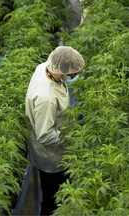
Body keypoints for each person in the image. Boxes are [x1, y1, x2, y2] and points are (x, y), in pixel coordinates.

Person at [25, 46, 85, 215]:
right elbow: (44, 135)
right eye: (72, 74)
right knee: (54, 199)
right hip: (50, 157)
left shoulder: (45, 67)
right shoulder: (46, 98)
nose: (73, 77)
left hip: (55, 140)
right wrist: (70, 137)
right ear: (60, 71)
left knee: (55, 193)